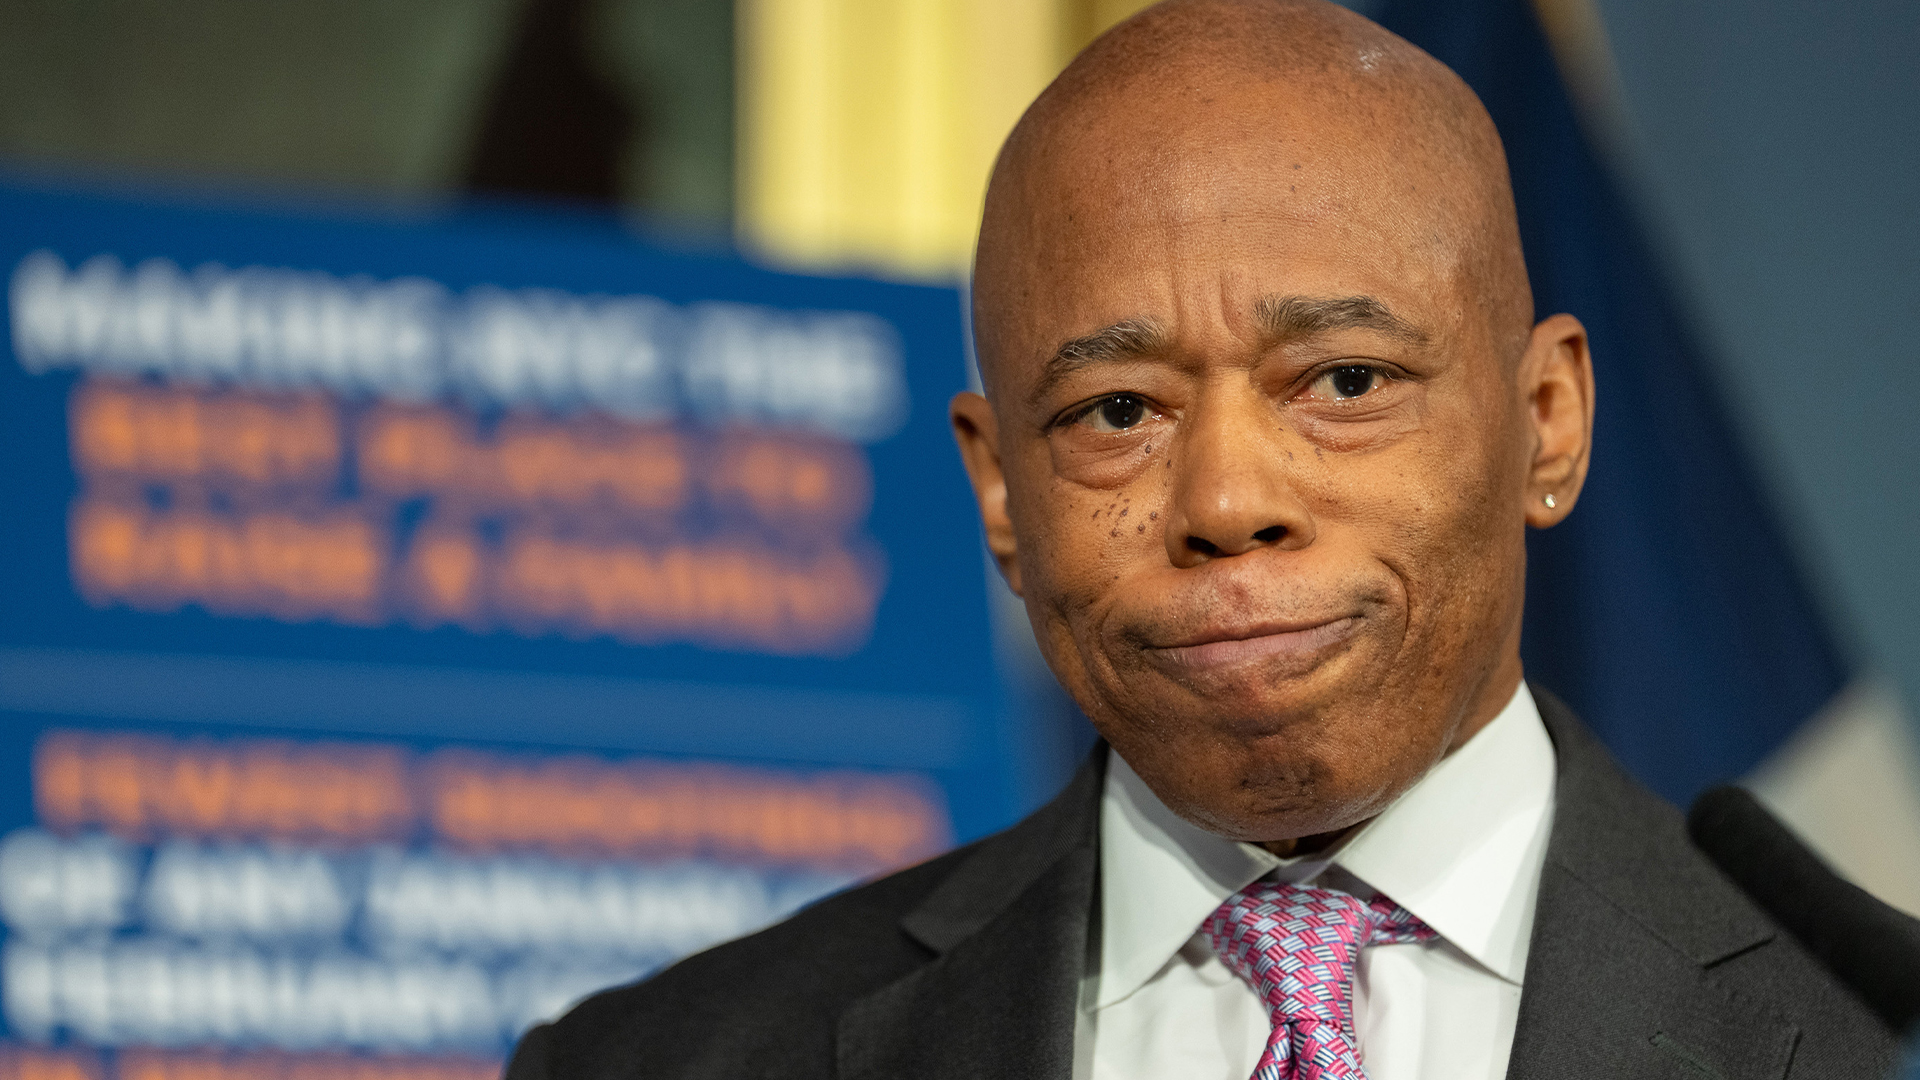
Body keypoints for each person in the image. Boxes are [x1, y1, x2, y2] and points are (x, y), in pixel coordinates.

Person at [504, 1, 1906, 1076]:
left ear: (1548, 422)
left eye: (1345, 382)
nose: (1227, 502)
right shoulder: (665, 1064)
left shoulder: (1862, 1030)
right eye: (1117, 411)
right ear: (999, 493)